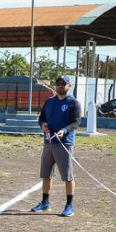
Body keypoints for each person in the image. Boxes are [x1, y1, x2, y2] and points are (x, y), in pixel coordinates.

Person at [31, 75, 81, 217]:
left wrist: (64, 131)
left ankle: (69, 206)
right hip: (48, 143)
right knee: (46, 174)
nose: (60, 86)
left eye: (63, 84)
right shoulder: (49, 102)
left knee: (67, 176)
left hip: (64, 144)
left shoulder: (73, 103)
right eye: (58, 83)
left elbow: (76, 122)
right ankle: (45, 203)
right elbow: (41, 119)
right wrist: (43, 125)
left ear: (69, 86)